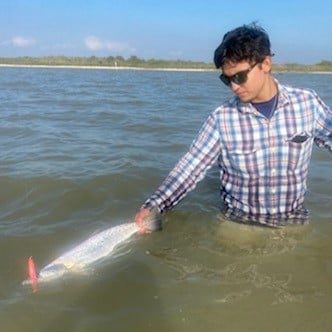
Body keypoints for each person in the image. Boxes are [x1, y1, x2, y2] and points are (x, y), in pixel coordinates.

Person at [135, 23, 332, 233]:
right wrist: (155, 205)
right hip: (239, 226)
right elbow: (190, 167)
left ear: (265, 63)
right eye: (226, 80)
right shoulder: (222, 118)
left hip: (294, 221)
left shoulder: (307, 104)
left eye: (239, 77)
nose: (234, 87)